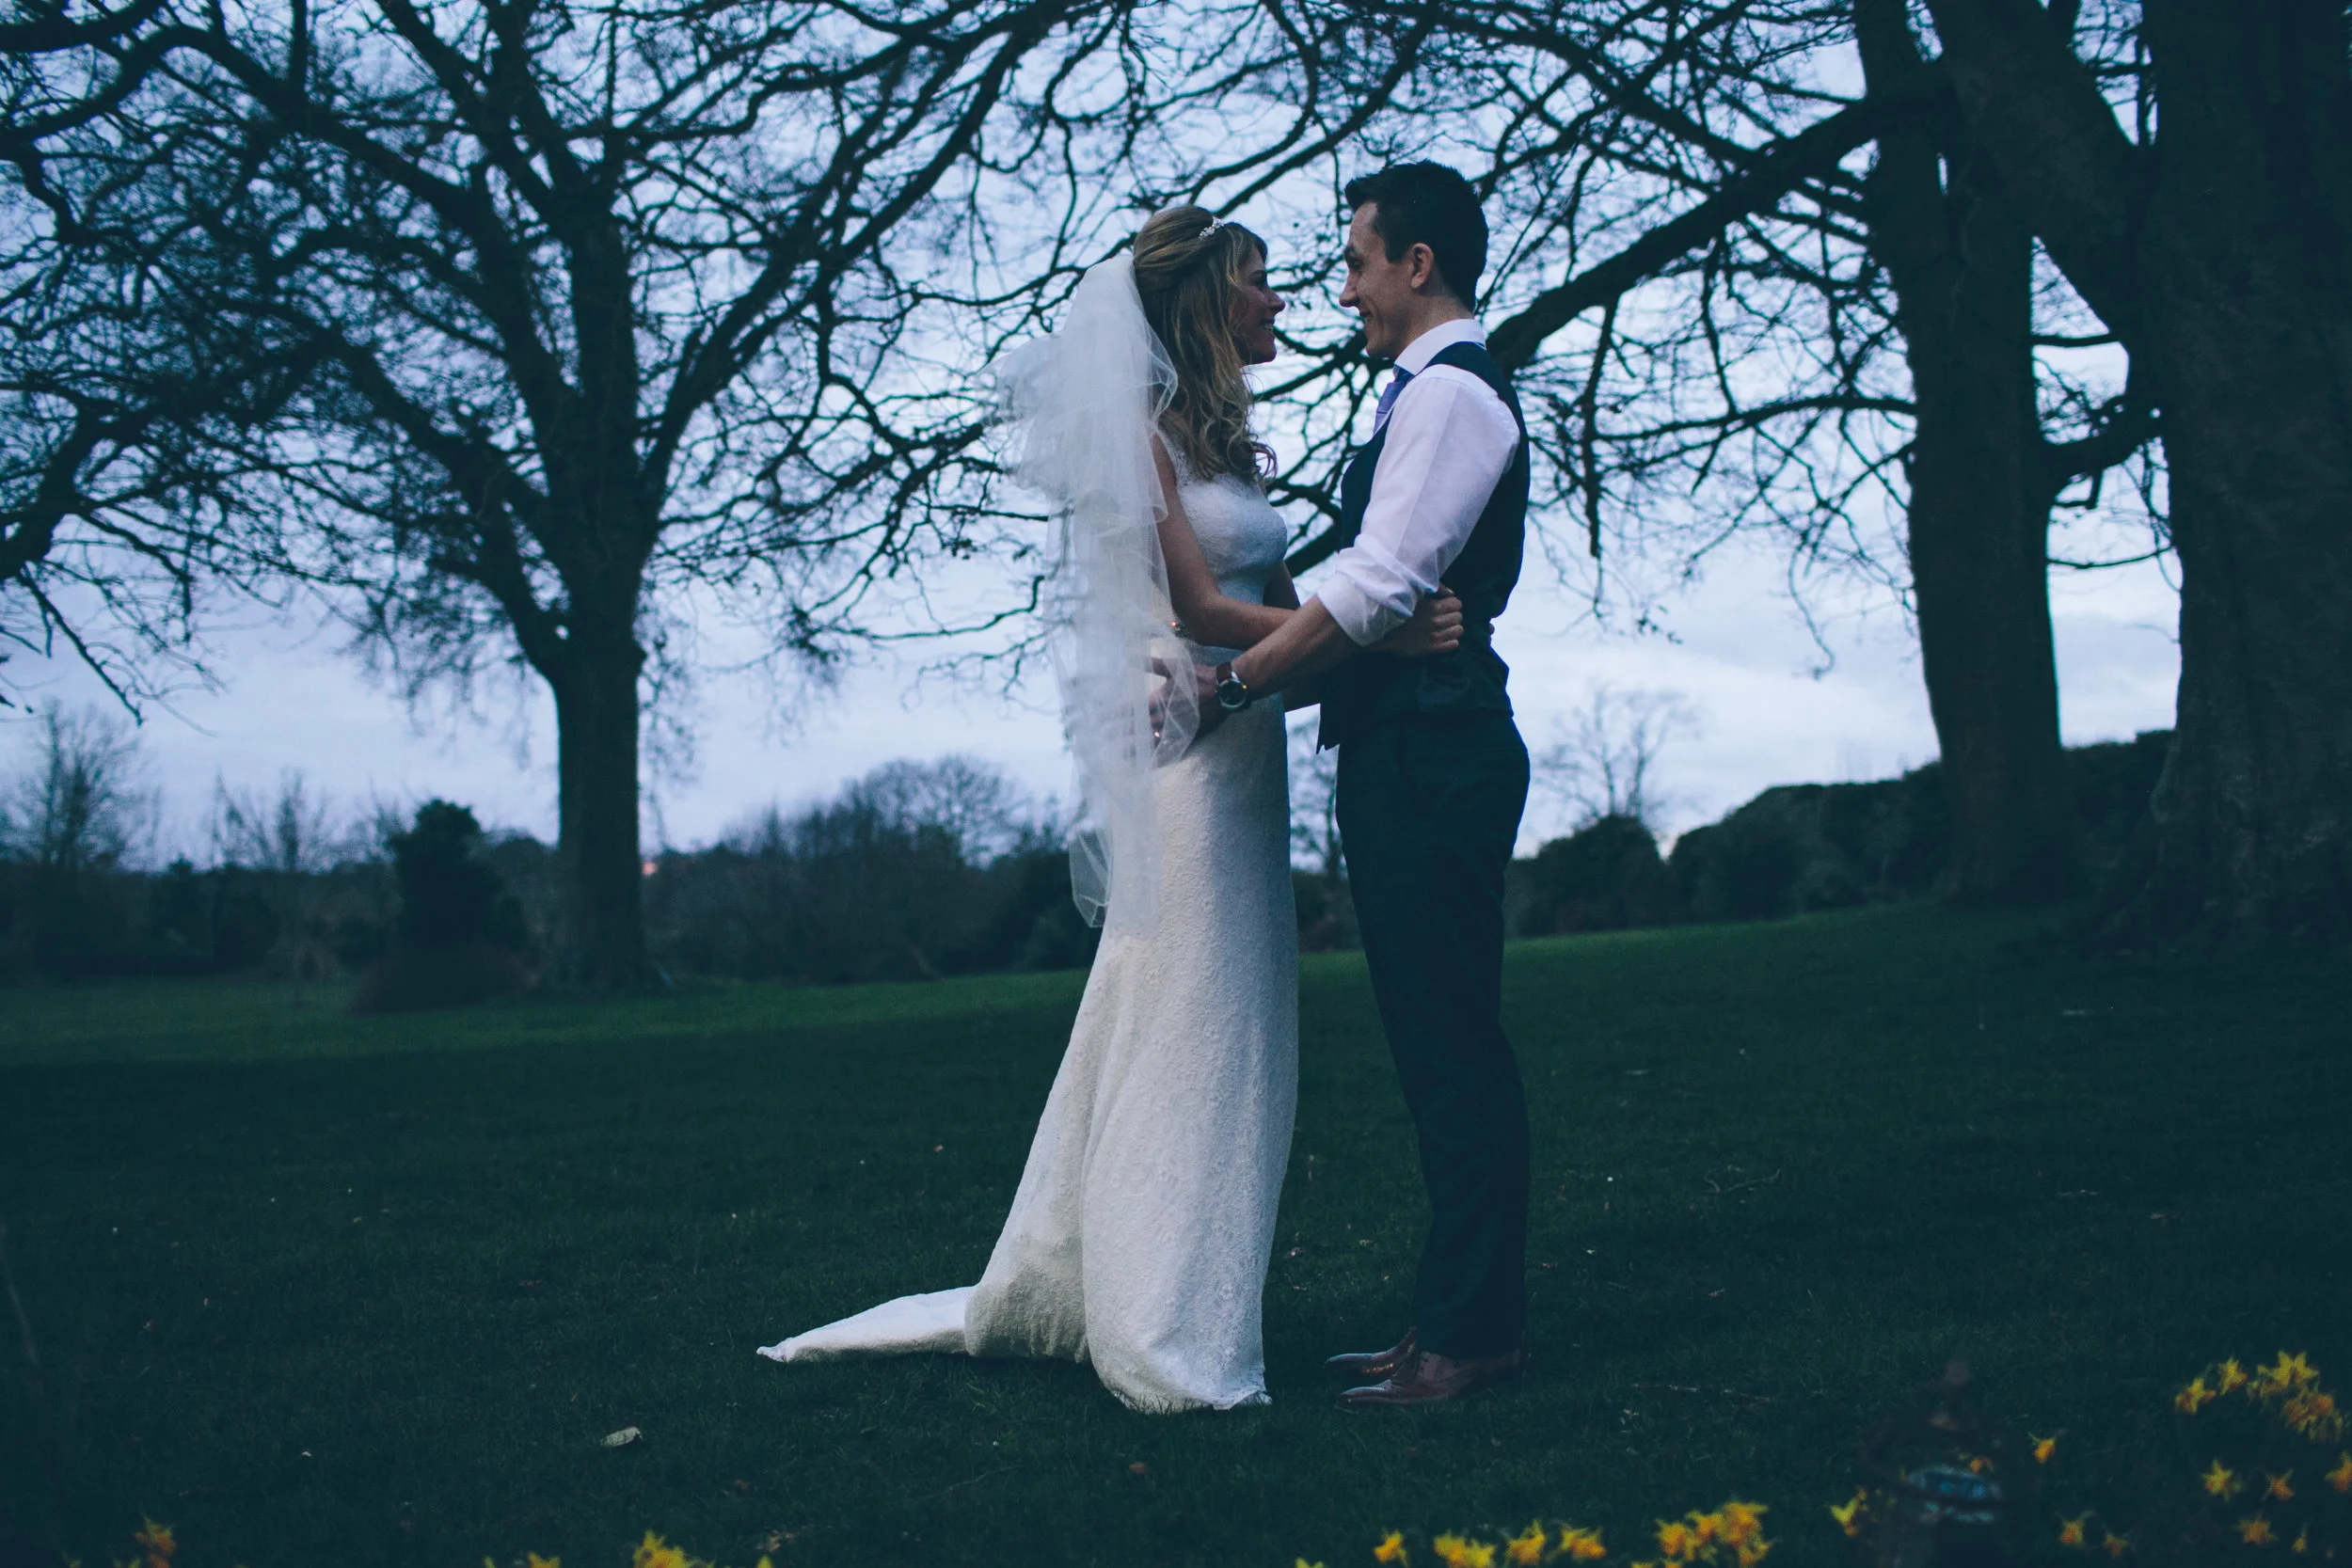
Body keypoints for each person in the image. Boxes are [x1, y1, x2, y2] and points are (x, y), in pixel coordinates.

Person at [757, 206, 1461, 1412]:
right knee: (1193, 1025)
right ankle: (1158, 1333)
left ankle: (1177, 1289)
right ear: (1201, 303)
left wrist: (1342, 625)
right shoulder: (1137, 444)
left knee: (1235, 1032)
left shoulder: (1229, 444)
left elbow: (1284, 605)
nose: (1281, 302)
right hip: (1187, 774)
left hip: (1247, 761)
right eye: (1259, 284)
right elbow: (1195, 605)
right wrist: (1377, 635)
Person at [1200, 162, 1534, 1408]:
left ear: (1417, 264)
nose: (1340, 287)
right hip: (1408, 745)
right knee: (1435, 1041)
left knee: (1453, 1047)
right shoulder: (1421, 398)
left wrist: (1229, 690)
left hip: (1435, 752)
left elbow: (1384, 580)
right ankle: (1446, 1319)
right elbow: (1376, 592)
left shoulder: (1451, 399)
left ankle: (1472, 1336)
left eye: (1352, 260)